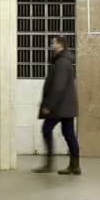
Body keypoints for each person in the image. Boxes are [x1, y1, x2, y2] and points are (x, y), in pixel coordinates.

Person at [32, 36, 81, 175]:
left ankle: (49, 164)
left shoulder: (61, 62)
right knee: (69, 134)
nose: (52, 44)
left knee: (47, 129)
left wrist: (48, 105)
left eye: (54, 42)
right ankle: (75, 165)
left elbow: (58, 86)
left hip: (60, 107)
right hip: (66, 106)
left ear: (60, 45)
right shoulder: (64, 61)